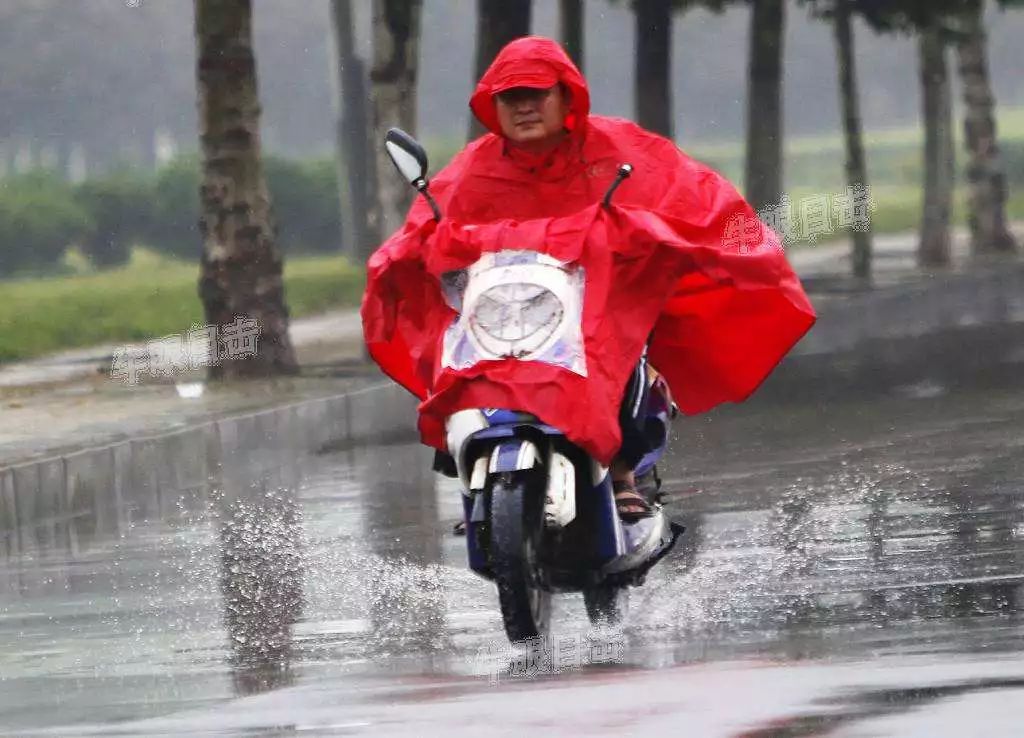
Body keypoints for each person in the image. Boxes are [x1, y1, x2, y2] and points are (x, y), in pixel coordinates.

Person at [362, 36, 816, 522]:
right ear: (492, 106)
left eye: (536, 94)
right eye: (511, 98)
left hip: (601, 308)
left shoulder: (621, 150)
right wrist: (404, 255)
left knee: (616, 348)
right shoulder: (473, 168)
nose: (525, 107)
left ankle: (622, 472)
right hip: (508, 313)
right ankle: (479, 467)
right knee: (457, 357)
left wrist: (685, 237)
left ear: (566, 96)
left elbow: (699, 200)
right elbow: (426, 228)